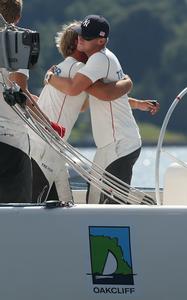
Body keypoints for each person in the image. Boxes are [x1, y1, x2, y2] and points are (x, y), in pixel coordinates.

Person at [45, 15, 159, 204]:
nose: (80, 39)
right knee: (94, 202)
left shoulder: (98, 58)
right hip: (113, 144)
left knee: (103, 206)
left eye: (86, 37)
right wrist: (134, 98)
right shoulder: (100, 59)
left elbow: (78, 89)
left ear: (101, 41)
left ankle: (143, 206)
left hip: (118, 144)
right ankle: (140, 203)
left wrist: (49, 76)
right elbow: (105, 95)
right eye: (80, 34)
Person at [30, 21, 134, 203]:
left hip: (47, 146)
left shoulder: (63, 68)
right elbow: (102, 92)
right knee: (39, 206)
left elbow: (88, 102)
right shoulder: (77, 70)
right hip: (47, 147)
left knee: (64, 206)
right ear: (77, 46)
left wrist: (138, 104)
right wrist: (128, 83)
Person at [0, 0, 64, 203]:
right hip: (11, 142)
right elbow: (19, 91)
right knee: (18, 212)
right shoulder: (16, 43)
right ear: (18, 17)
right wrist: (50, 127)